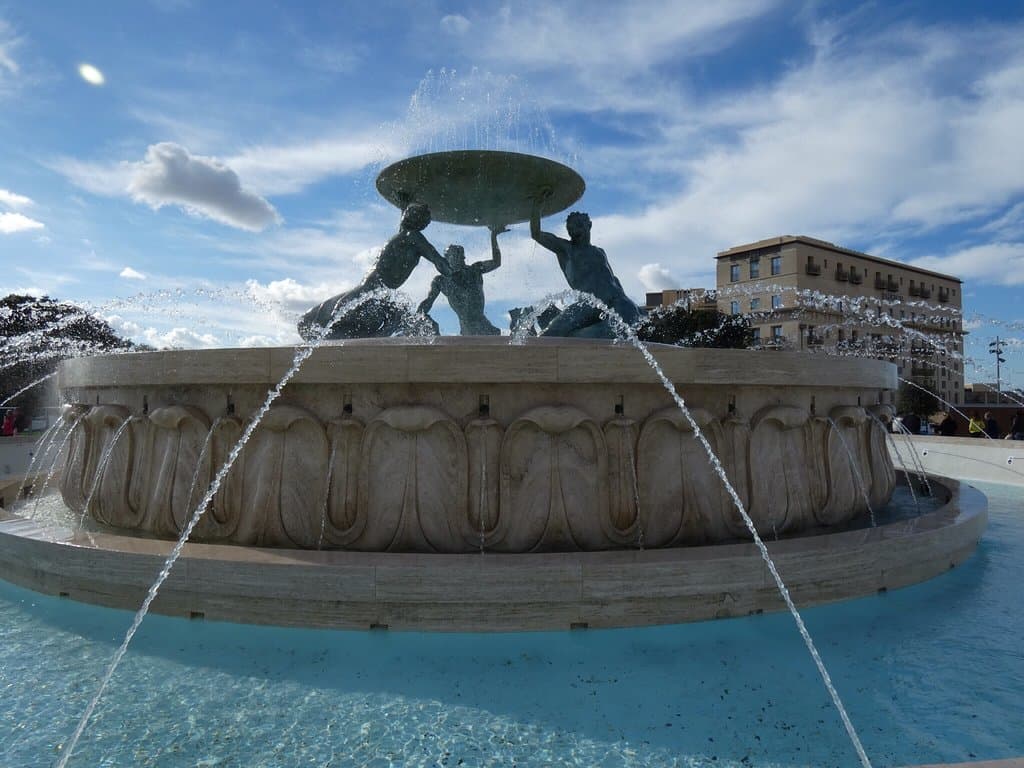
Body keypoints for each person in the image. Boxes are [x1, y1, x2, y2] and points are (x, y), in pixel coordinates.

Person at [299, 203, 451, 340]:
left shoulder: (403, 235)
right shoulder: (414, 237)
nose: (428, 224)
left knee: (389, 318)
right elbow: (438, 260)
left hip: (371, 291)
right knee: (336, 322)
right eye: (426, 221)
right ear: (420, 221)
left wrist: (405, 200)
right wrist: (453, 272)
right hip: (371, 292)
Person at [529, 195, 642, 338]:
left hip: (617, 301)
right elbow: (536, 234)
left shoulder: (600, 252)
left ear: (589, 225)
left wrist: (632, 306)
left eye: (578, 226)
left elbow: (613, 280)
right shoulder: (566, 249)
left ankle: (576, 340)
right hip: (589, 304)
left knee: (626, 329)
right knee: (551, 335)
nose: (574, 231)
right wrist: (536, 207)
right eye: (570, 228)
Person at [418, 225, 506, 336]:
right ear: (447, 259)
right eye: (455, 256)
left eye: (461, 256)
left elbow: (496, 262)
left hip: (485, 328)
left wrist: (493, 237)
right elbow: (428, 302)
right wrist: (416, 318)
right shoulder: (441, 281)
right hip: (467, 331)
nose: (460, 259)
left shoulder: (475, 270)